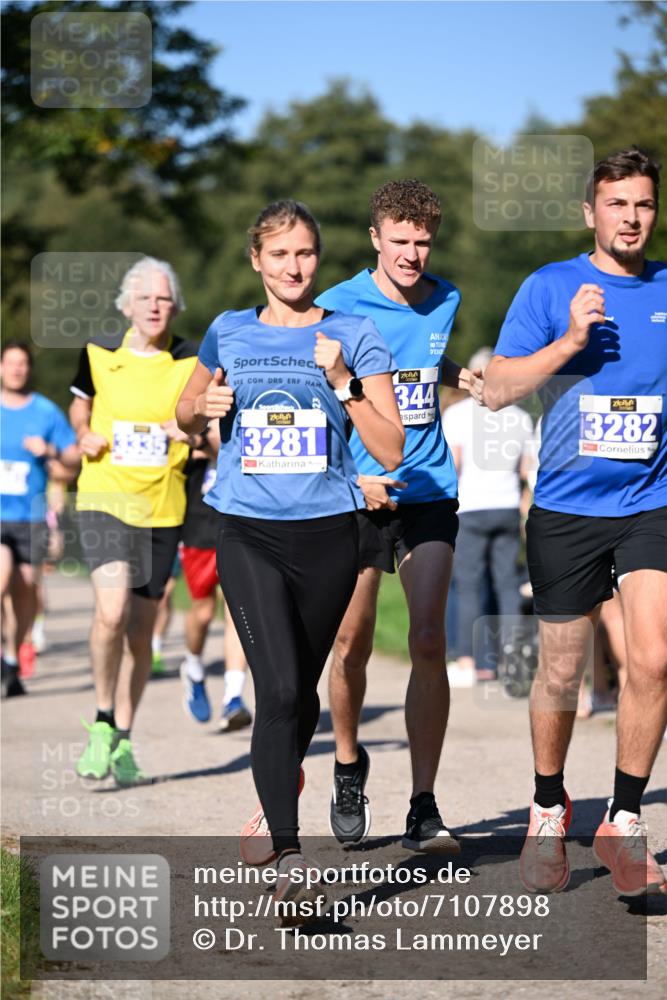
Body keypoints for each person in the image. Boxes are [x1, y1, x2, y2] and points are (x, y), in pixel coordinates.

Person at [176, 199, 403, 920]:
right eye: (279, 255)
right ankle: (289, 859)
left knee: (298, 695)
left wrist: (342, 383)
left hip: (330, 533)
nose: (293, 267)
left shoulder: (353, 334)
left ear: (318, 257)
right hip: (247, 530)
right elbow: (183, 412)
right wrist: (201, 405)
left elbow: (392, 446)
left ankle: (272, 805)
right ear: (256, 260)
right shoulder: (227, 330)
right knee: (275, 692)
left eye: (304, 253)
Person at [484, 147, 666, 896]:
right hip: (563, 508)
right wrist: (566, 342)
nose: (630, 217)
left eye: (643, 204)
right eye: (616, 203)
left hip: (649, 503)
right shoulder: (550, 285)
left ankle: (621, 819)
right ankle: (548, 806)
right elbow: (495, 389)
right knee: (560, 672)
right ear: (589, 212)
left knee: (653, 660)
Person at [316, 180, 483, 850]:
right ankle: (349, 764)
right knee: (351, 642)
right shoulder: (335, 306)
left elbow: (411, 361)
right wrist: (352, 475)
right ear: (375, 239)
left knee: (428, 640)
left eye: (422, 242)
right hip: (358, 491)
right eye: (400, 241)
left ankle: (423, 804)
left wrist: (449, 375)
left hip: (427, 489)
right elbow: (316, 397)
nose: (412, 254)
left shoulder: (445, 297)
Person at [69, 257, 198, 787]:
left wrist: (189, 431)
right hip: (104, 495)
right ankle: (102, 717)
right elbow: (81, 404)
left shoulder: (192, 361)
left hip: (163, 507)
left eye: (163, 298)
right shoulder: (99, 351)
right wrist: (83, 434)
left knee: (142, 636)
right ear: (127, 305)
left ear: (175, 306)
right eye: (144, 297)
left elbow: (205, 424)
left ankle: (123, 733)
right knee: (112, 611)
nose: (154, 306)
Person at [442, 346, 534, 685]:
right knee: (508, 586)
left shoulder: (458, 415)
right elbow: (526, 470)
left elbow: (455, 465)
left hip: (470, 507)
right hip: (507, 507)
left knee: (468, 586)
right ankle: (510, 660)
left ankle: (469, 661)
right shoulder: (520, 417)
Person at [1, 341, 79, 698]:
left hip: (30, 516)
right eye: (10, 363)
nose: (16, 369)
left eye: (22, 363)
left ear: (29, 369)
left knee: (25, 591)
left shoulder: (46, 412)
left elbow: (71, 463)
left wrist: (48, 452)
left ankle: (13, 658)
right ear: (1, 368)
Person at [178, 421, 252, 730]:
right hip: (199, 526)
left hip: (238, 519)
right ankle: (193, 665)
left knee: (237, 607)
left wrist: (207, 443)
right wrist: (192, 440)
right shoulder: (191, 397)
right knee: (204, 611)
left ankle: (233, 697)